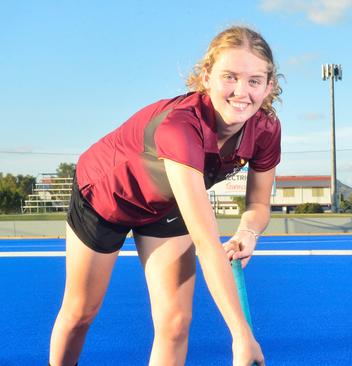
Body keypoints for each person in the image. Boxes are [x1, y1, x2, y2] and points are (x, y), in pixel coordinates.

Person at [49, 25, 282, 366]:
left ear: (269, 86)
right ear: (207, 76)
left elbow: (258, 204)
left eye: (254, 81)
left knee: (175, 324)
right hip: (107, 197)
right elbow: (206, 242)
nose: (241, 92)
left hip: (166, 205)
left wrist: (248, 231)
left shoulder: (266, 129)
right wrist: (241, 335)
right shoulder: (180, 127)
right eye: (229, 77)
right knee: (81, 312)